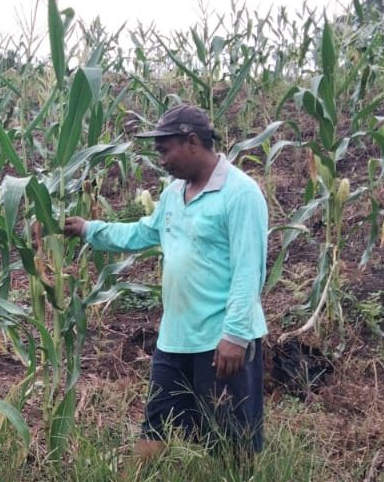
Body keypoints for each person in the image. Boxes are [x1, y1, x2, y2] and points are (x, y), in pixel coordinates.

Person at [62, 104, 269, 462]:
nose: (161, 161)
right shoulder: (174, 193)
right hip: (175, 339)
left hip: (220, 341)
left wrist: (235, 336)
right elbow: (143, 232)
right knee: (155, 427)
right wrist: (88, 229)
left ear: (192, 142)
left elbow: (248, 270)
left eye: (165, 150)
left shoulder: (241, 194)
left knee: (231, 440)